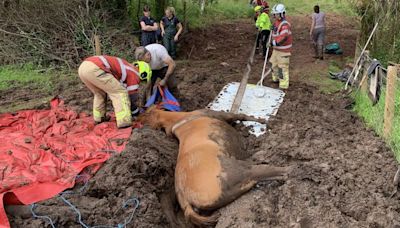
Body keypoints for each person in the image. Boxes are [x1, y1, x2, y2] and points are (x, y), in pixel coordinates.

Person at [78, 55, 150, 128]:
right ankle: (124, 121)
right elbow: (132, 97)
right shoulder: (135, 73)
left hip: (84, 67)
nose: (140, 82)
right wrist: (136, 112)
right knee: (120, 92)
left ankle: (99, 118)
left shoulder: (127, 67)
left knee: (100, 94)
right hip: (96, 68)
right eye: (142, 80)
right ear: (144, 73)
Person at [270, 3, 292, 90]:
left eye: (275, 14)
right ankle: (276, 79)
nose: (274, 15)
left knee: (281, 68)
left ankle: (283, 85)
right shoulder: (276, 23)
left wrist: (273, 43)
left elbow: (283, 38)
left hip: (283, 51)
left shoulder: (285, 25)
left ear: (281, 14)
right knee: (273, 64)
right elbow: (275, 33)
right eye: (274, 14)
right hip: (276, 50)